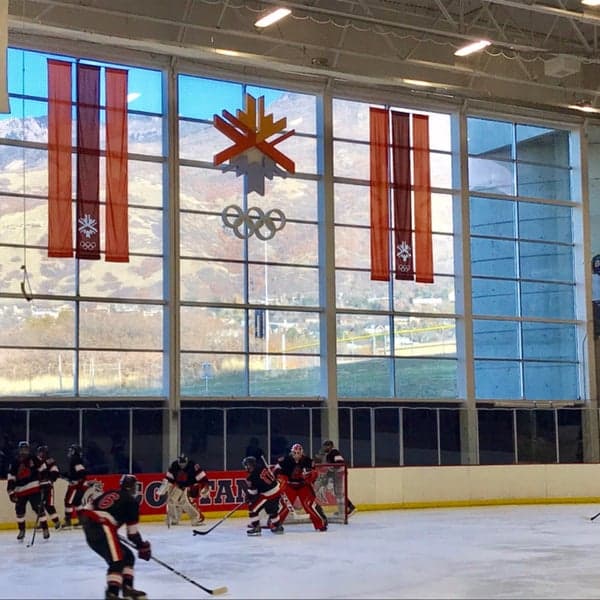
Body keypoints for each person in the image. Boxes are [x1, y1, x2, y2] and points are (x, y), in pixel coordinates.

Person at [79, 474, 151, 600]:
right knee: (117, 561)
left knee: (127, 556)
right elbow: (132, 534)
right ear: (133, 487)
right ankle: (112, 594)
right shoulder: (131, 502)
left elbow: (88, 509)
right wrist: (142, 546)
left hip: (92, 525)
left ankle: (127, 588)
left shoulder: (111, 492)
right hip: (103, 525)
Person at [274, 443, 328, 532]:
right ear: (291, 453)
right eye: (294, 453)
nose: (296, 455)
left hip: (303, 486)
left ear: (302, 453)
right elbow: (276, 470)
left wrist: (310, 478)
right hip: (290, 485)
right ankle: (276, 524)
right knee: (286, 506)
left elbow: (314, 473)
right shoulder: (285, 460)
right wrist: (280, 477)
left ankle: (319, 524)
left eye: (298, 453)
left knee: (308, 505)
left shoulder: (308, 461)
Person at [6, 440, 50, 541]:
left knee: (39, 509)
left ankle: (45, 528)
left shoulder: (34, 459)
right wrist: (11, 491)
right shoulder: (14, 462)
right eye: (22, 449)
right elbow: (11, 477)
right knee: (19, 511)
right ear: (19, 450)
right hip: (20, 491)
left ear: (28, 450)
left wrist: (44, 483)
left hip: (33, 488)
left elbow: (43, 469)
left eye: (25, 449)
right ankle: (22, 530)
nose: (24, 451)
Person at [162, 453, 210, 527]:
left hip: (190, 486)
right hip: (179, 486)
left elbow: (203, 478)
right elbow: (169, 478)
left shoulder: (193, 465)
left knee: (182, 502)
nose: (182, 466)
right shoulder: (174, 465)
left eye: (183, 464)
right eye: (180, 464)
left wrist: (205, 487)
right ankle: (175, 519)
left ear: (187, 462)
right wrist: (165, 485)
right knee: (172, 501)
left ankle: (195, 517)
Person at [242, 455, 284, 536]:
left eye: (246, 465)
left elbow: (253, 492)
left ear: (250, 465)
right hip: (277, 489)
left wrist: (248, 498)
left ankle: (256, 528)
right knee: (272, 510)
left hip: (268, 494)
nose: (246, 467)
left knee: (252, 508)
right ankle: (278, 526)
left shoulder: (252, 477)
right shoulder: (263, 467)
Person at [321, 440, 356, 517]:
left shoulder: (334, 452)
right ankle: (342, 510)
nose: (324, 448)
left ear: (330, 446)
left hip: (339, 475)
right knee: (337, 493)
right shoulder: (329, 454)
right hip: (336, 475)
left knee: (339, 493)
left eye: (326, 446)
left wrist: (332, 470)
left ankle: (350, 507)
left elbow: (340, 463)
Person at [37, 444, 62, 530]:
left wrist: (50, 479)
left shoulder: (50, 461)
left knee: (49, 505)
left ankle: (56, 521)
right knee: (39, 505)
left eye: (42, 452)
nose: (40, 454)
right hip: (39, 487)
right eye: (40, 452)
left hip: (47, 486)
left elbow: (55, 473)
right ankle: (42, 522)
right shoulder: (37, 462)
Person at [63, 443, 88, 528]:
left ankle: (68, 521)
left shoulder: (75, 459)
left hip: (76, 485)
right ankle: (82, 521)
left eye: (72, 450)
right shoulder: (77, 459)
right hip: (79, 485)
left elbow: (82, 473)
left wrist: (75, 480)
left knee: (68, 502)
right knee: (77, 502)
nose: (70, 451)